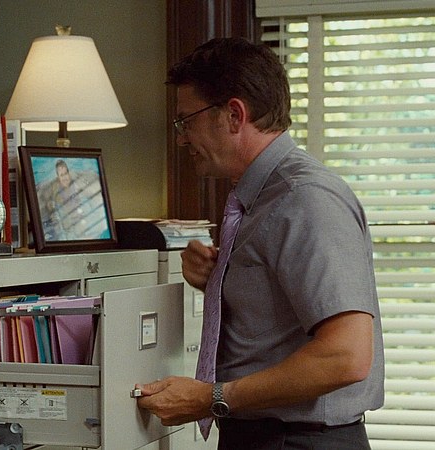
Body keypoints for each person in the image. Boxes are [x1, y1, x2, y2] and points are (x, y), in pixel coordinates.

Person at [136, 37, 384, 449]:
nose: (181, 139)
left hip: (297, 442)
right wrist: (219, 279)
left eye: (186, 122)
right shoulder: (260, 198)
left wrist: (211, 397)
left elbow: (346, 356)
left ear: (234, 115)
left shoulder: (303, 199)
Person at [37, 159, 108, 242]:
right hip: (67, 221)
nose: (65, 177)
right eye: (62, 175)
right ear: (58, 177)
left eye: (66, 173)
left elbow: (92, 193)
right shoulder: (55, 190)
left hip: (79, 216)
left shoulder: (76, 184)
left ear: (68, 173)